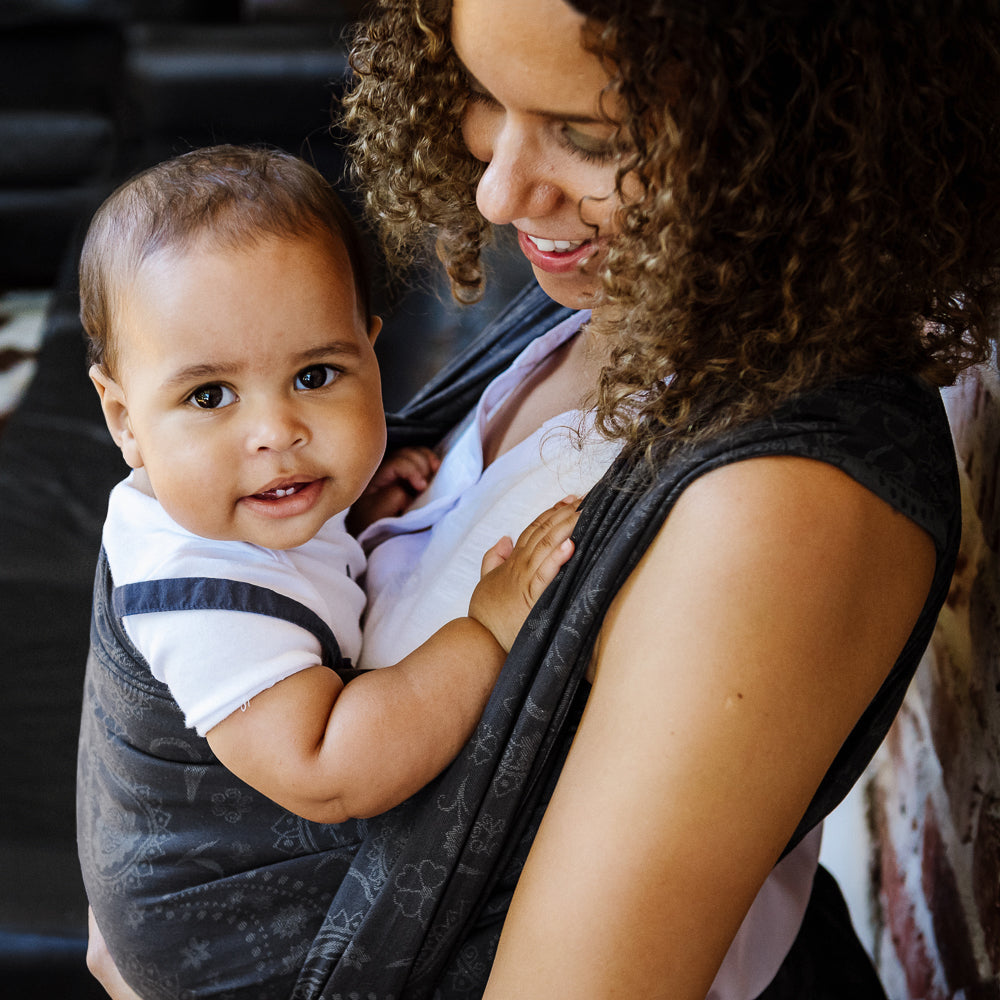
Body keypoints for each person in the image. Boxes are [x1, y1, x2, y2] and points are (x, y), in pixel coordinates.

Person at [85, 1, 1000, 998]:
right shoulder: (619, 302)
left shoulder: (779, 510)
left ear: (786, 125)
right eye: (482, 92)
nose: (495, 189)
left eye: (589, 134)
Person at [76, 144, 580, 1000]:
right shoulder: (196, 588)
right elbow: (326, 767)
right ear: (125, 419)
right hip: (221, 947)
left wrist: (349, 510)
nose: (276, 431)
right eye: (209, 397)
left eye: (316, 375)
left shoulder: (248, 500)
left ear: (372, 356)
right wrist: (487, 631)